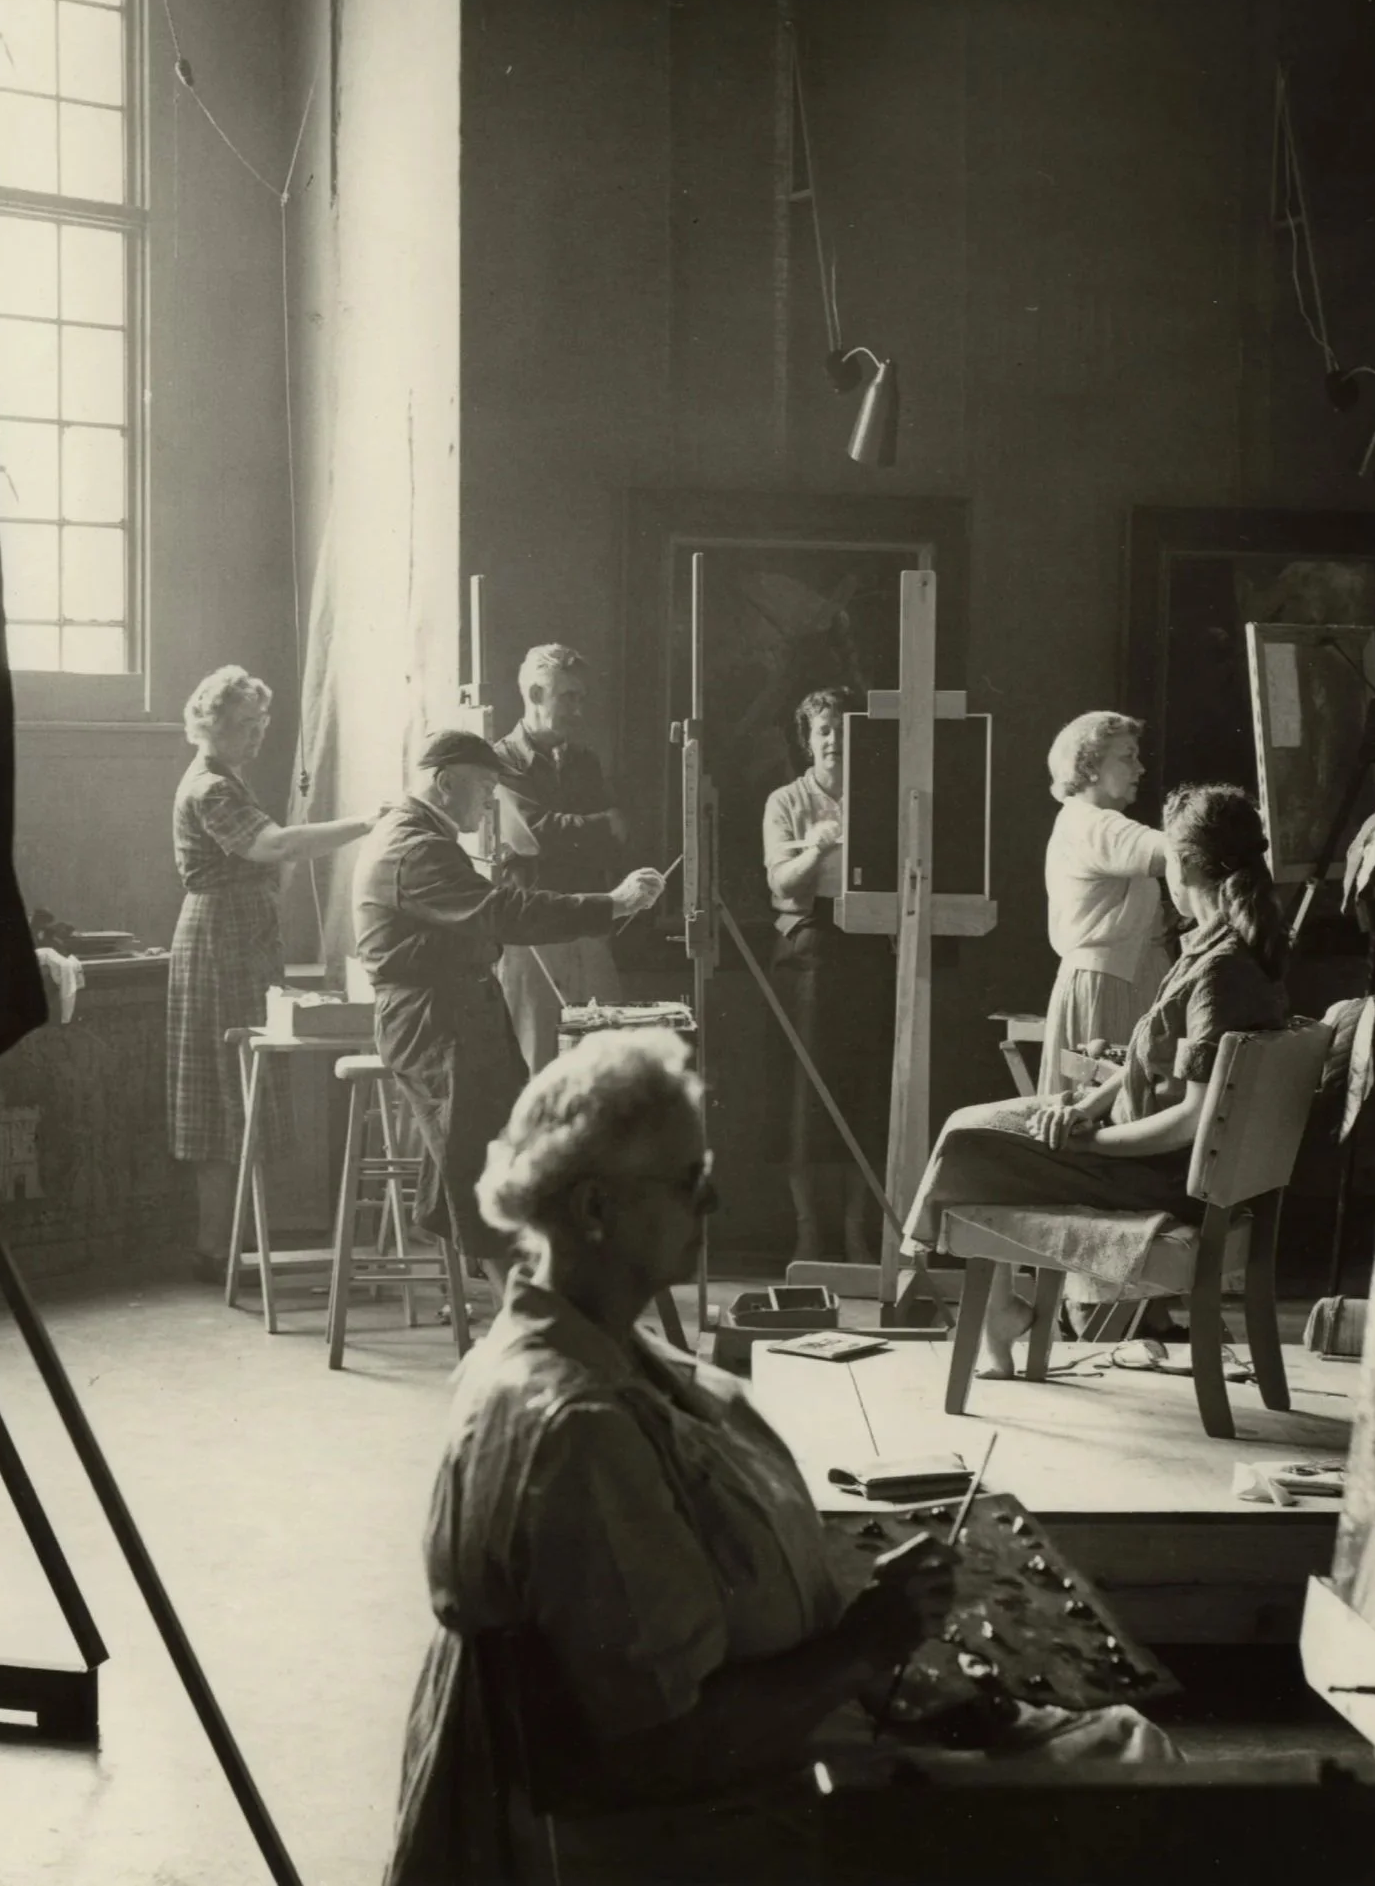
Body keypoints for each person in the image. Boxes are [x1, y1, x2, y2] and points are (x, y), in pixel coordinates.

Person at [385, 1030, 1172, 1884]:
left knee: (1107, 1740)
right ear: (593, 1209)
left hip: (736, 1766)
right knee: (1128, 1770)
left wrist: (857, 1607)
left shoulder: (599, 1351)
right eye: (687, 1181)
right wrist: (861, 1647)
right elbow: (658, 1749)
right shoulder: (578, 1428)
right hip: (685, 1831)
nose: (715, 1199)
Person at [902, 784, 1291, 1376]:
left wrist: (1091, 1141)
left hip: (1159, 1177)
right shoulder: (1215, 952)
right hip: (1148, 1156)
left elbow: (1193, 1119)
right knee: (981, 1124)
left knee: (968, 1139)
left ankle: (996, 1313)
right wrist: (1090, 1105)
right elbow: (1149, 1061)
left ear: (1183, 864)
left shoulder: (1220, 973)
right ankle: (1001, 1310)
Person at [351, 729, 664, 1280]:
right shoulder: (415, 846)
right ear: (445, 784)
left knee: (505, 1152)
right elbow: (502, 915)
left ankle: (515, 1304)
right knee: (489, 1165)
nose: (490, 800)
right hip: (433, 1021)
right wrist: (609, 905)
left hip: (455, 1010)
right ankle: (515, 1317)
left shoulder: (421, 833)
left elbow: (484, 923)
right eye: (484, 787)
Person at [168, 665, 381, 1278]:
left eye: (262, 724)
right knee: (223, 1095)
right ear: (211, 725)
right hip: (218, 947)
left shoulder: (227, 778)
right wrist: (364, 825)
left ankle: (227, 1244)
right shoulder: (211, 787)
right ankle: (217, 1248)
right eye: (244, 725)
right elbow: (277, 846)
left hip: (242, 940)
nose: (257, 735)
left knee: (238, 1094)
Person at [762, 687, 890, 1263]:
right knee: (804, 1100)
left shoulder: (880, 799)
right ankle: (809, 1231)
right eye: (823, 731)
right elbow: (784, 886)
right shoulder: (785, 801)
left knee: (866, 1099)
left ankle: (858, 1229)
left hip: (869, 952)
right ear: (807, 741)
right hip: (809, 953)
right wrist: (815, 852)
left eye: (844, 729)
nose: (834, 740)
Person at [490, 643, 627, 1071]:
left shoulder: (585, 761)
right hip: (531, 938)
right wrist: (598, 824)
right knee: (537, 1069)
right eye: (568, 697)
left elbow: (617, 838)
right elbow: (535, 835)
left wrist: (585, 829)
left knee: (602, 1069)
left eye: (581, 698)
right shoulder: (500, 762)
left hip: (588, 927)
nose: (578, 710)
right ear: (534, 695)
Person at [1039, 711, 1171, 1095]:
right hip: (1107, 986)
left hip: (1128, 978)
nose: (1140, 768)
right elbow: (1173, 851)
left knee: (1123, 1110)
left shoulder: (1094, 823)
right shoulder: (1090, 824)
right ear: (1089, 766)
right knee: (1104, 1113)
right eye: (1127, 757)